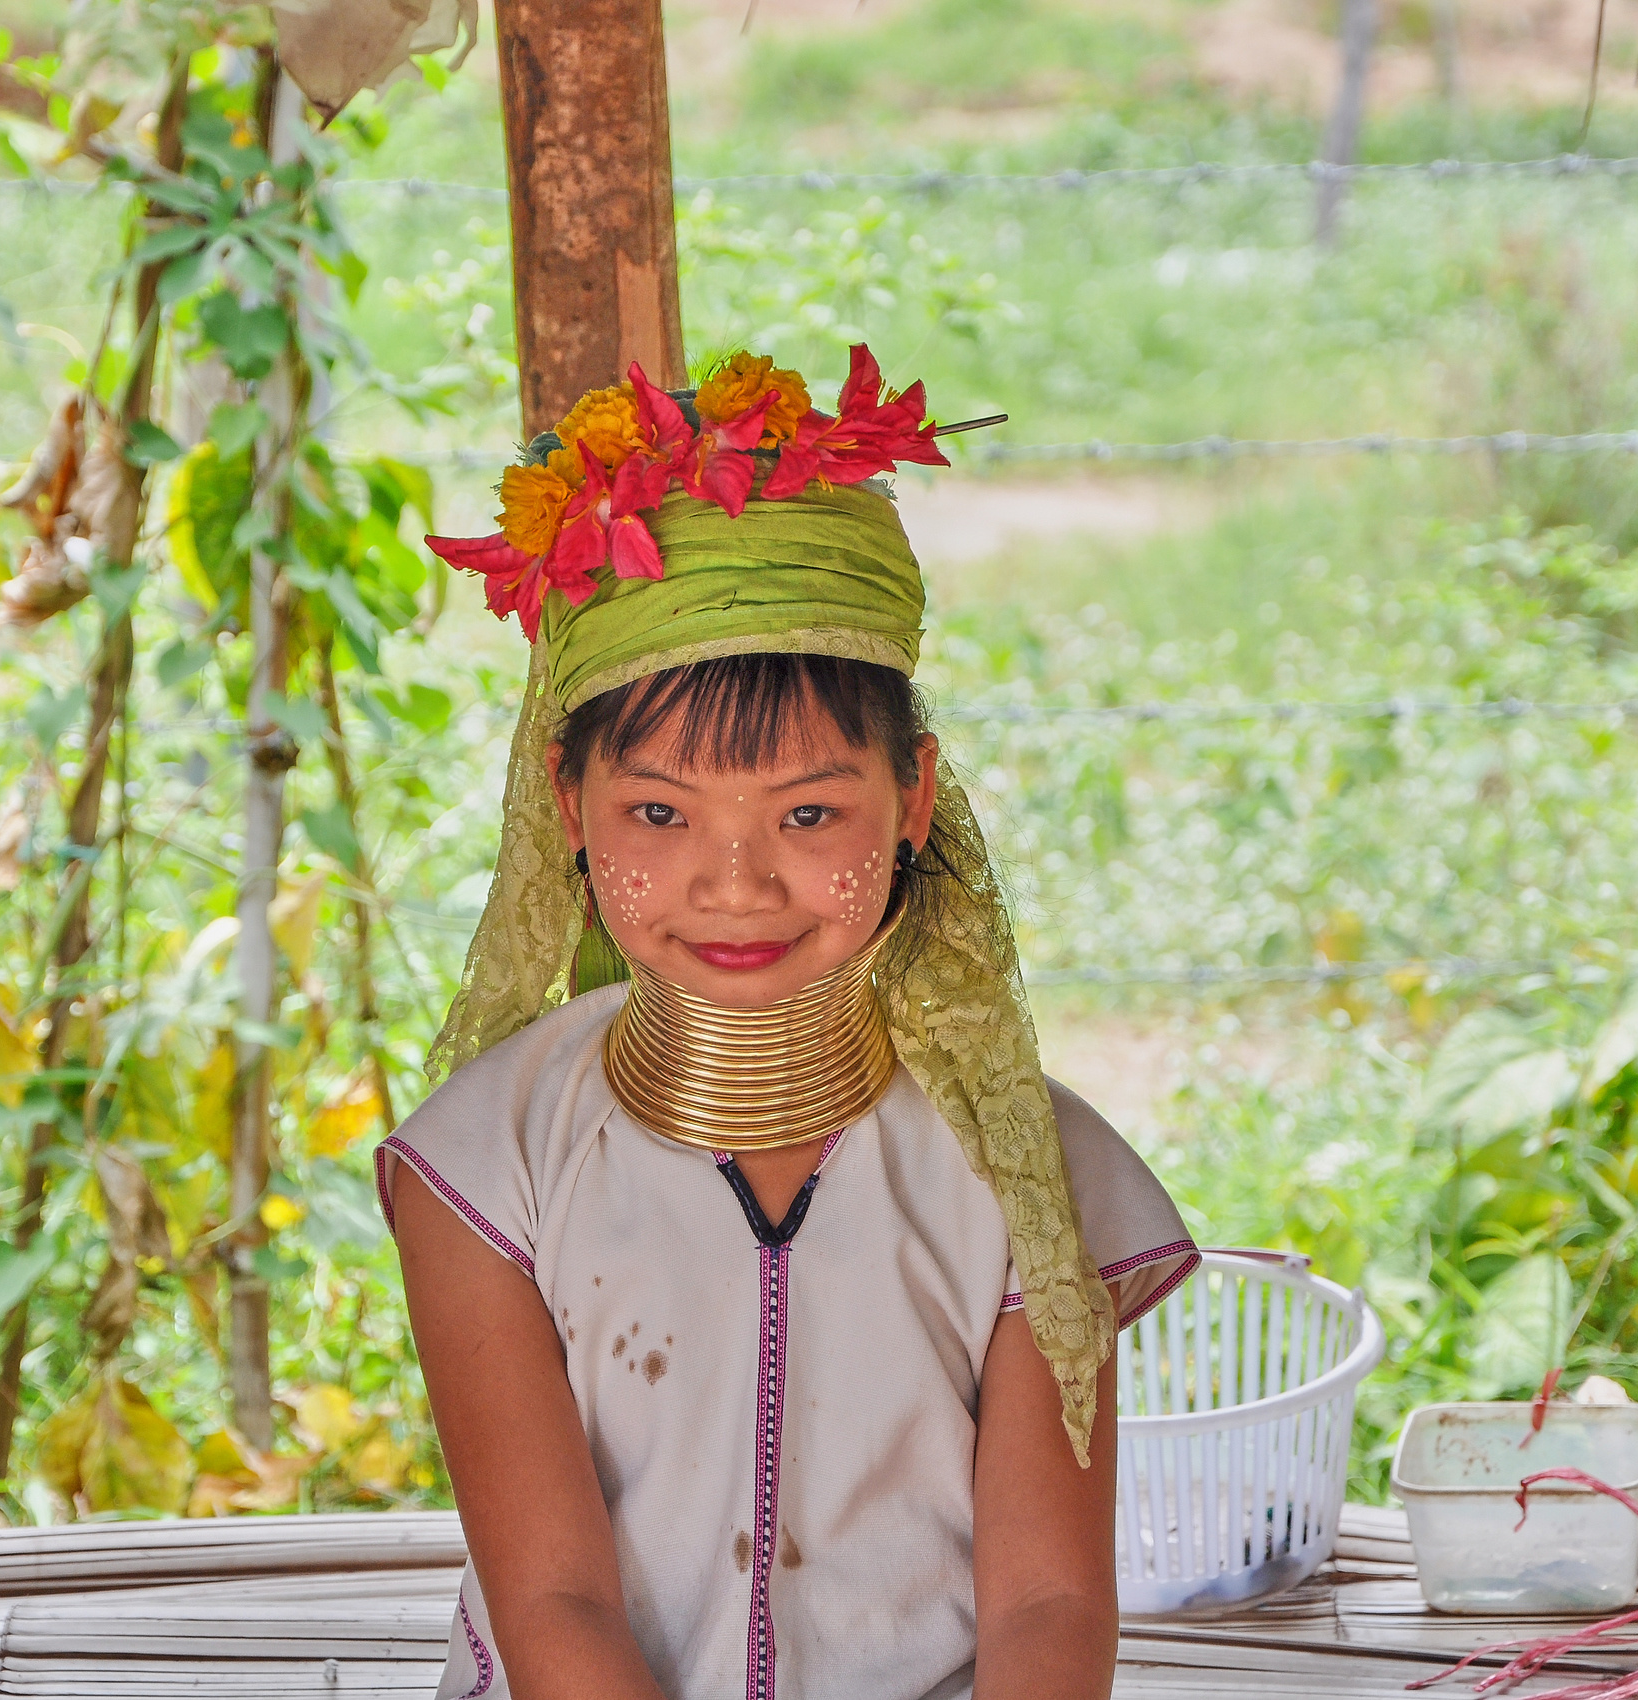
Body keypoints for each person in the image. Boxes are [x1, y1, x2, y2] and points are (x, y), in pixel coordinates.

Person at [380, 346, 1197, 1700]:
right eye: (660, 814)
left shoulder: (1024, 1175)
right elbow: (554, 1604)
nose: (737, 882)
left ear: (916, 799)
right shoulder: (487, 1169)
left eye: (810, 814)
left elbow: (1051, 1607)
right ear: (567, 801)